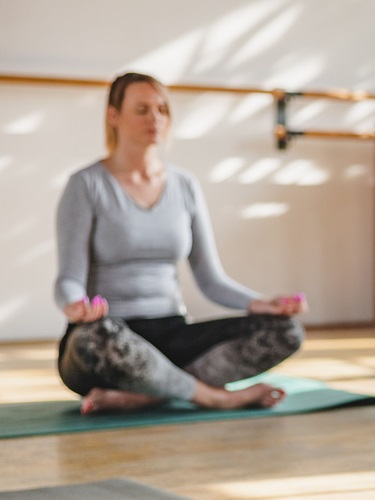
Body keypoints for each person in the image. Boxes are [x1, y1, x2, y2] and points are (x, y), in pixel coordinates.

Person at [54, 72, 308, 415]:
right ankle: (216, 397)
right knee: (91, 337)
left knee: (285, 331)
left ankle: (149, 394)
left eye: (162, 109)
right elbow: (68, 278)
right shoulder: (86, 185)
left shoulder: (185, 185)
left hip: (171, 334)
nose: (155, 118)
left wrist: (262, 304)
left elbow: (210, 280)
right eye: (142, 109)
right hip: (109, 338)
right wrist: (75, 305)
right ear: (113, 116)